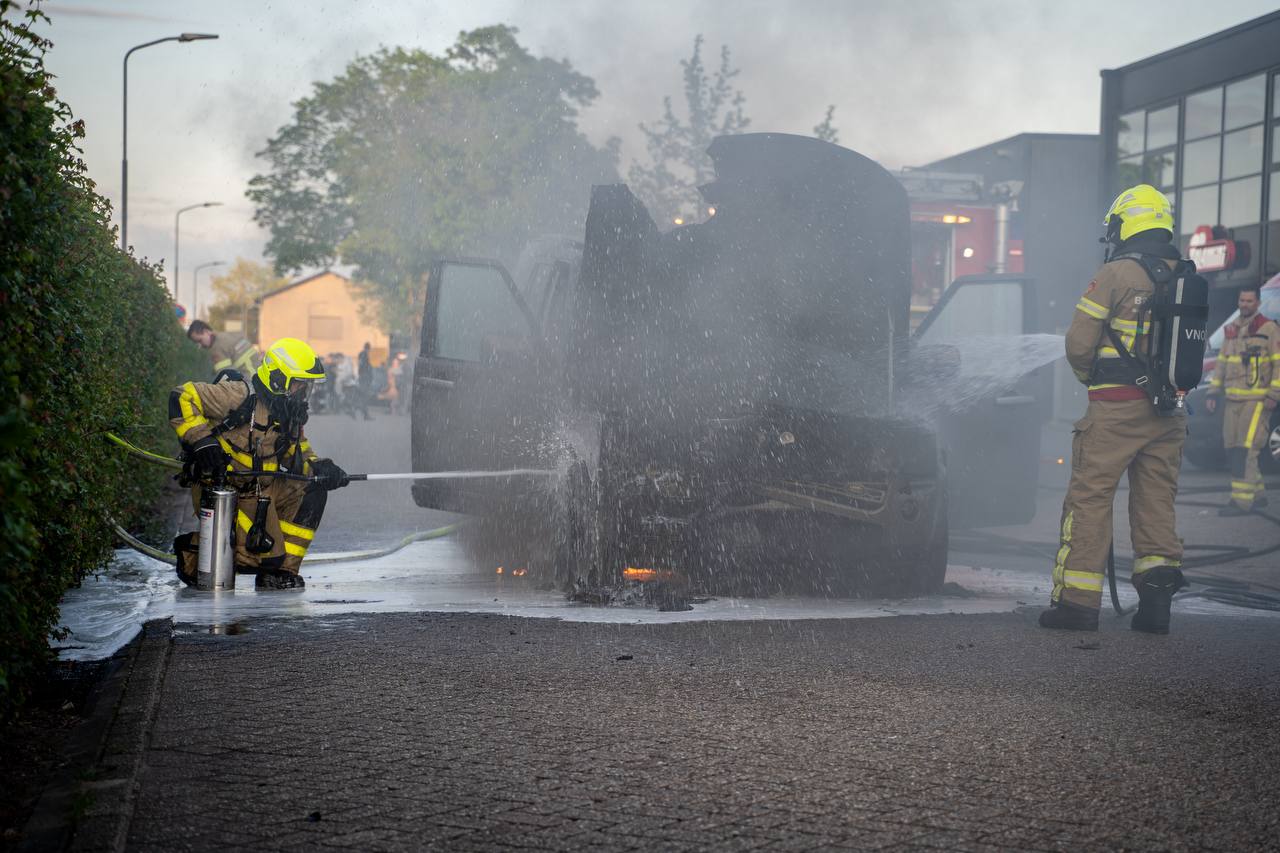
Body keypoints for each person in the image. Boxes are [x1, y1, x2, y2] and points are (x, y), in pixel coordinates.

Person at [1039, 184, 1190, 635]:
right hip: (1170, 413)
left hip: (1116, 409)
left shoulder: (1115, 273)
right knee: (1156, 503)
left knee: (1089, 499)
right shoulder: (1185, 273)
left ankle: (1078, 605)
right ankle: (1155, 609)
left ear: (1128, 223)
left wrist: (1090, 378)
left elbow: (1079, 343)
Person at [169, 337, 350, 590]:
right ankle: (194, 554)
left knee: (312, 488)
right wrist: (202, 441)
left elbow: (296, 454)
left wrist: (322, 469)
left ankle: (281, 573)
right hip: (225, 494)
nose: (304, 393)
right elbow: (181, 396)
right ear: (278, 379)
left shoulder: (287, 413)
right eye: (300, 385)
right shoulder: (239, 395)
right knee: (266, 556)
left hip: (262, 491)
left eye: (307, 386)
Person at [1203, 285, 1280, 515]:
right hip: (1233, 399)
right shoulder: (1231, 330)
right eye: (1242, 300)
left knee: (1245, 451)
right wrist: (1212, 392)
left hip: (1256, 401)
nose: (1244, 305)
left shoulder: (1269, 329)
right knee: (1232, 448)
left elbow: (1278, 365)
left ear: (1257, 303)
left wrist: (1273, 395)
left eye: (1249, 301)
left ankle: (1241, 502)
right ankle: (1258, 496)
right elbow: (1222, 363)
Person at [187, 319, 260, 379]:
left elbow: (225, 377)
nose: (200, 346)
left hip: (250, 379)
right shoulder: (225, 336)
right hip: (258, 372)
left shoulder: (216, 348)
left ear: (207, 331)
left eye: (200, 340)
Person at [357, 341, 375, 420]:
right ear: (368, 348)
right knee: (364, 396)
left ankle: (365, 413)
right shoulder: (364, 355)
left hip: (363, 377)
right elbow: (363, 366)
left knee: (363, 396)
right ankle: (365, 414)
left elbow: (361, 365)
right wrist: (367, 375)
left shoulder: (362, 354)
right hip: (365, 378)